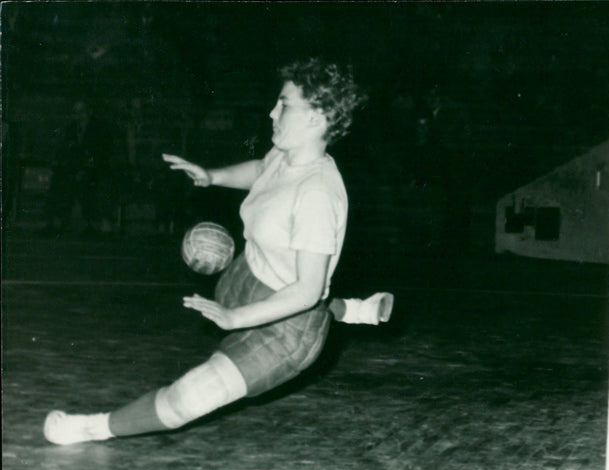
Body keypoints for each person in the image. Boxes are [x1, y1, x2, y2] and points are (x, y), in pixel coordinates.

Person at [44, 58, 391, 446]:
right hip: (249, 278)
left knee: (186, 399)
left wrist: (235, 317)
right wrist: (213, 177)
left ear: (317, 117)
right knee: (295, 284)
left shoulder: (318, 194)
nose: (272, 111)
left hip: (284, 329)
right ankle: (356, 309)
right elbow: (262, 169)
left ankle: (89, 428)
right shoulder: (286, 154)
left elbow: (308, 292)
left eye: (285, 104)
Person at [43, 100, 118, 236]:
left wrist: (86, 167)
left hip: (94, 169)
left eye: (81, 112)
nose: (78, 116)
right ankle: (57, 221)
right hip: (74, 168)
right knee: (58, 180)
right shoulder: (71, 128)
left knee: (87, 183)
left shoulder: (99, 128)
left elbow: (101, 153)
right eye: (76, 112)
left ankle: (92, 223)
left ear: (88, 112)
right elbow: (66, 150)